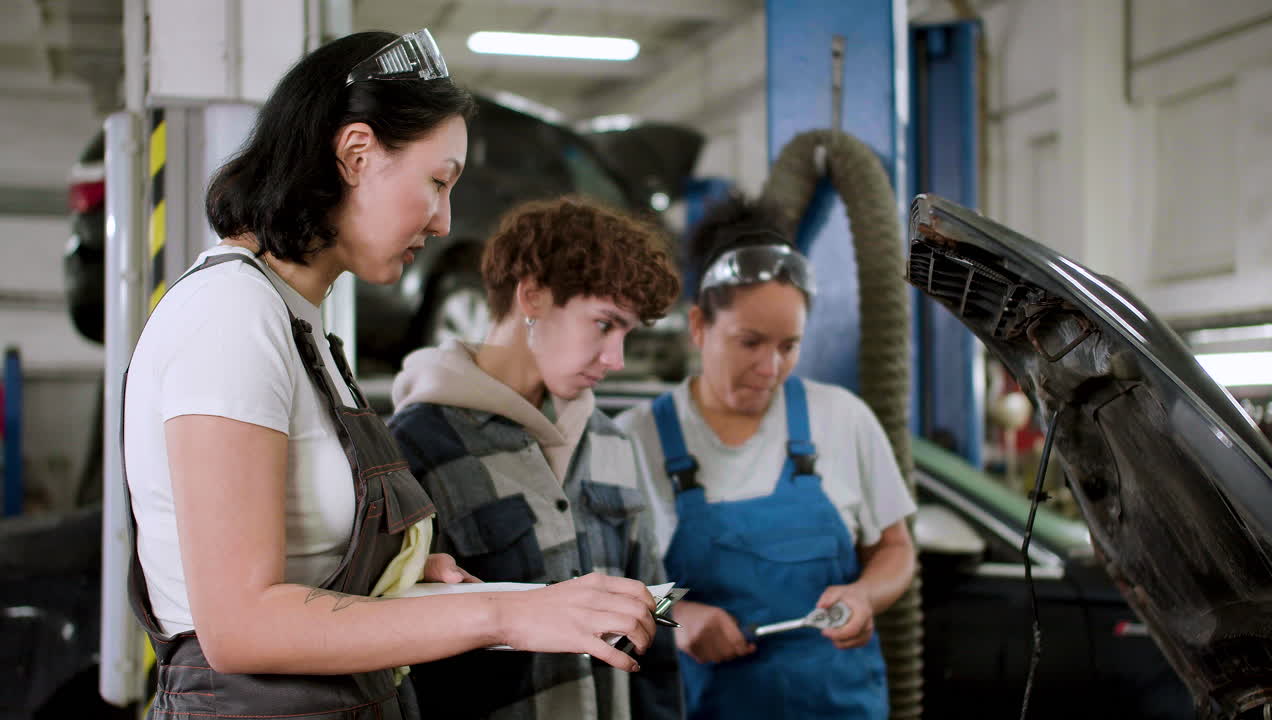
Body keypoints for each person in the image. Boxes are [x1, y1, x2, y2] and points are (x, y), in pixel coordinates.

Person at [122, 30, 658, 720]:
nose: (444, 222)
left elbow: (305, 571)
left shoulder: (301, 325)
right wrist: (510, 611)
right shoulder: (229, 314)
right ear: (356, 154)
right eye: (438, 182)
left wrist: (397, 577)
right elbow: (240, 627)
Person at [616, 195, 917, 719]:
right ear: (698, 326)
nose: (770, 366)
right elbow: (602, 586)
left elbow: (895, 549)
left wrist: (866, 595)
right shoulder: (633, 441)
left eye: (788, 345)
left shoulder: (842, 419)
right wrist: (678, 616)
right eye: (749, 342)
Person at [388, 195, 684, 719]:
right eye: (603, 324)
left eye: (627, 334)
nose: (615, 360)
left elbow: (654, 637)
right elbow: (396, 654)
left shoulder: (614, 444)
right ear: (532, 296)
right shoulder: (415, 446)